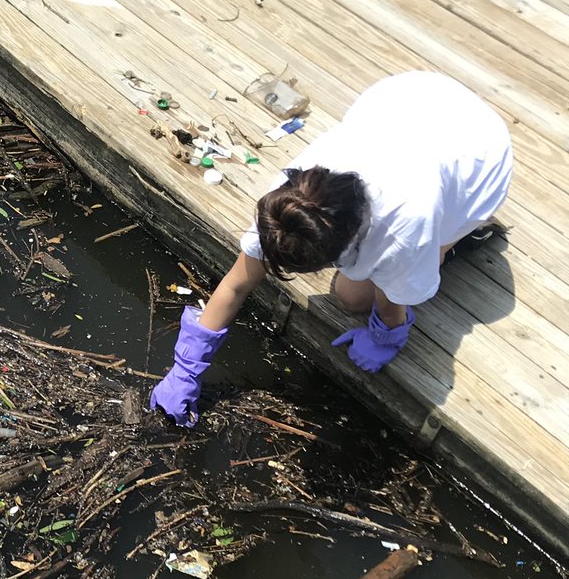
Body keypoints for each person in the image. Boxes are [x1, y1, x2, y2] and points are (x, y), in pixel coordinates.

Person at [150, 71, 513, 426]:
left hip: (478, 153)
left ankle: (458, 240)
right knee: (354, 290)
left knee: (355, 297)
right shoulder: (292, 199)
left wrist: (385, 337)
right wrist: (185, 369)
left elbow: (393, 303)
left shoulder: (405, 226)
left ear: (348, 240)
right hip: (407, 96)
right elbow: (236, 284)